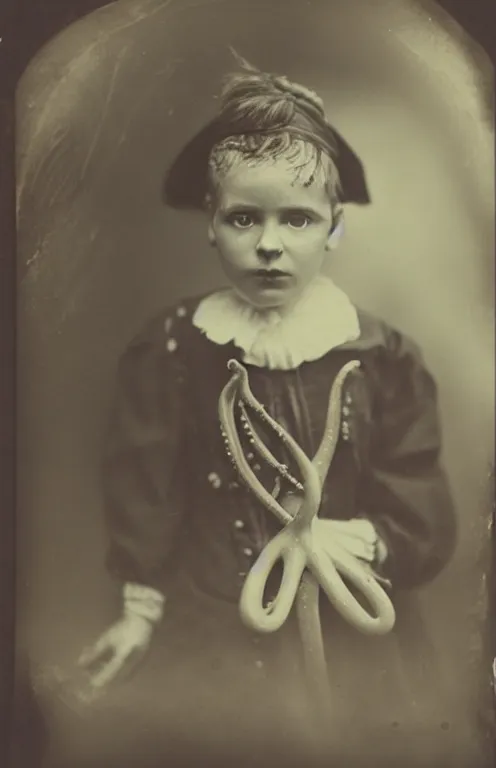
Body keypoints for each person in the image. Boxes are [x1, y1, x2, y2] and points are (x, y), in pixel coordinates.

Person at [77, 56, 457, 767]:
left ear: (334, 227)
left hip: (352, 632)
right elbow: (145, 488)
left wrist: (359, 541)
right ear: (210, 226)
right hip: (215, 629)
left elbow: (420, 497)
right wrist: (137, 615)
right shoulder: (169, 349)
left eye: (299, 219)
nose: (271, 244)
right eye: (245, 218)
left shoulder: (382, 355)